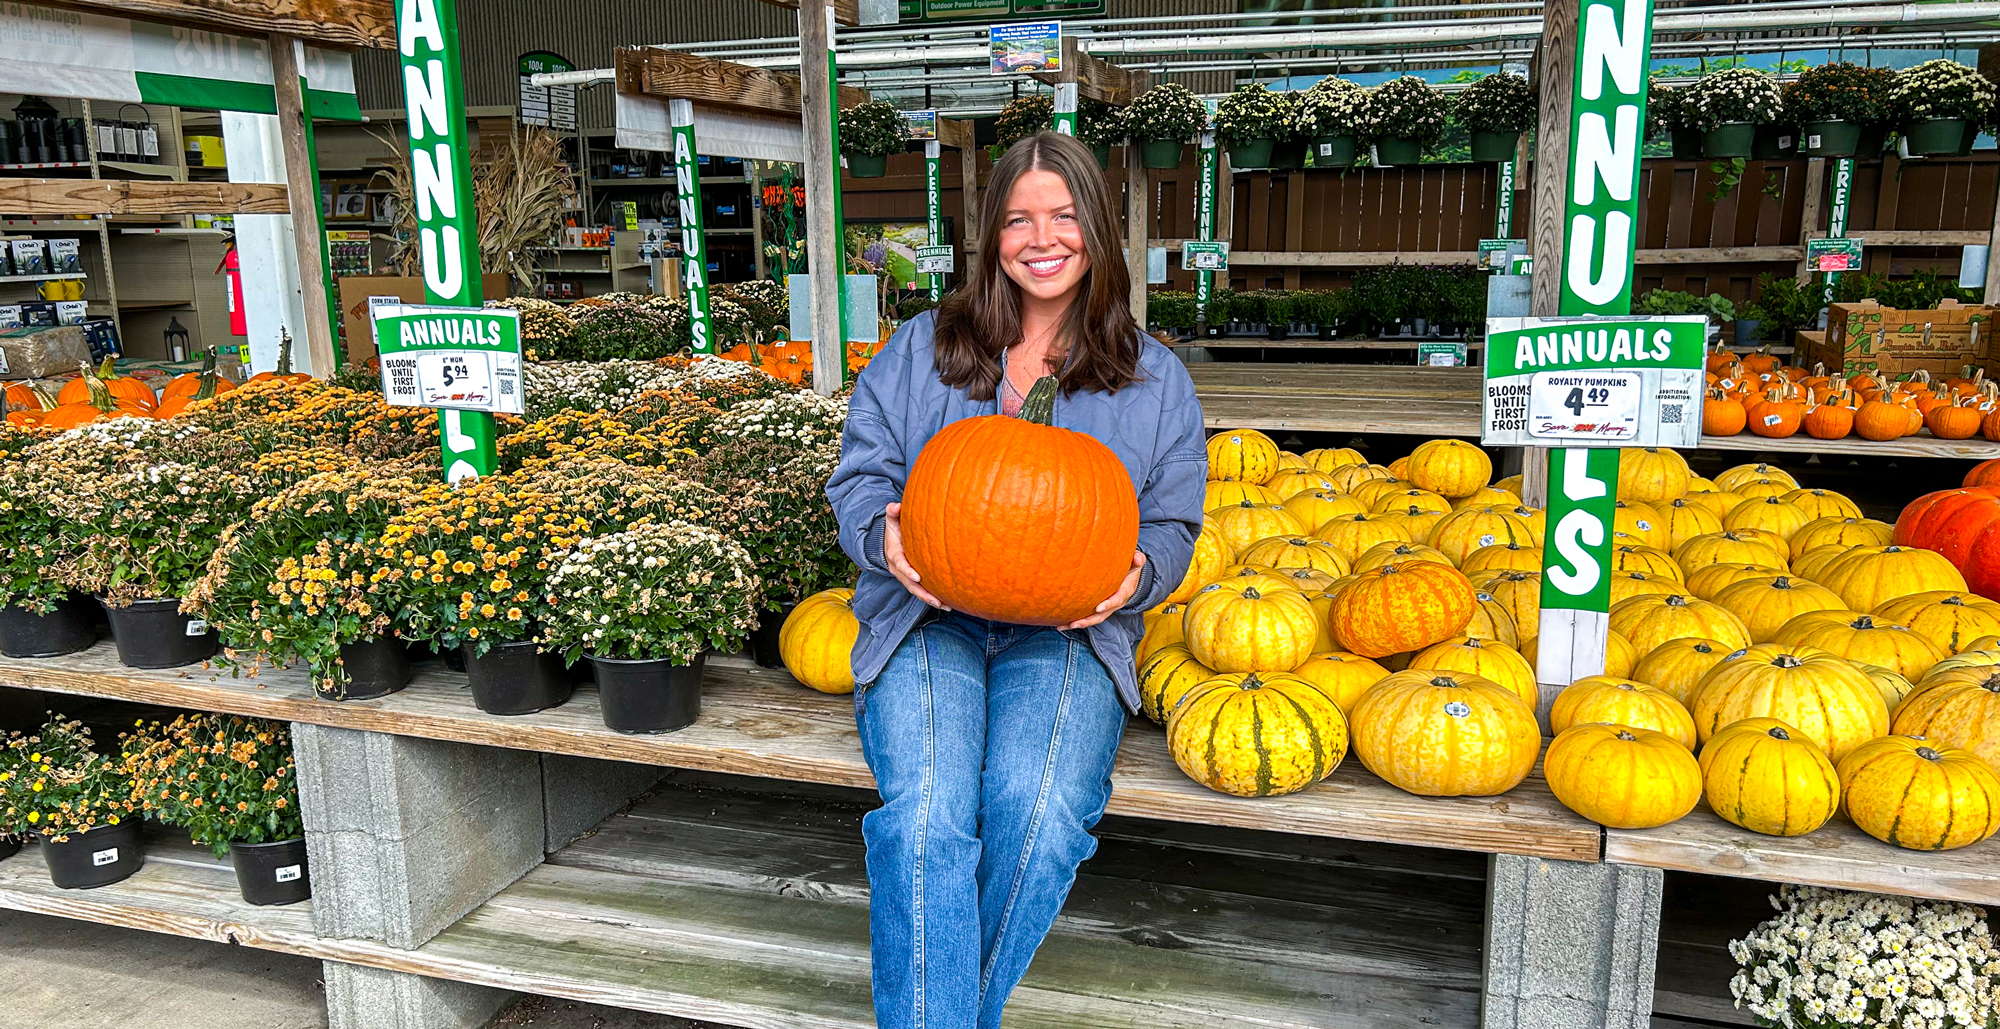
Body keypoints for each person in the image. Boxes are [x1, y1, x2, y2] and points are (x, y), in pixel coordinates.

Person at [826, 130, 1207, 1028]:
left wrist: (1144, 573)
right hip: (928, 617)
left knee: (1038, 818)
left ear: (1100, 231)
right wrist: (884, 539)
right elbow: (859, 479)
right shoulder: (922, 348)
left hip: (1071, 625)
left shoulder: (1156, 380)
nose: (1044, 239)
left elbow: (1176, 525)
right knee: (927, 817)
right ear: (991, 236)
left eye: (1066, 216)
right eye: (1020, 219)